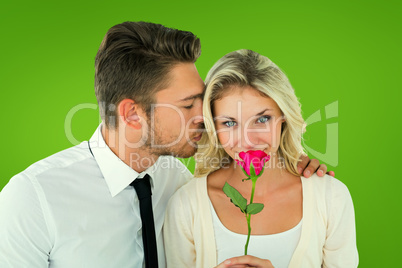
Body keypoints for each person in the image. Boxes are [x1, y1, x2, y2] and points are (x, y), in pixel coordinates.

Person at [0, 22, 330, 267]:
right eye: (188, 105)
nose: (205, 116)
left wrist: (283, 157)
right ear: (132, 113)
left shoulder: (178, 180)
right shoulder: (33, 198)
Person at [164, 49, 358, 268]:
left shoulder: (331, 197)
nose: (248, 141)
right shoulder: (185, 205)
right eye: (229, 123)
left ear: (283, 118)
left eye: (262, 119)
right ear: (213, 128)